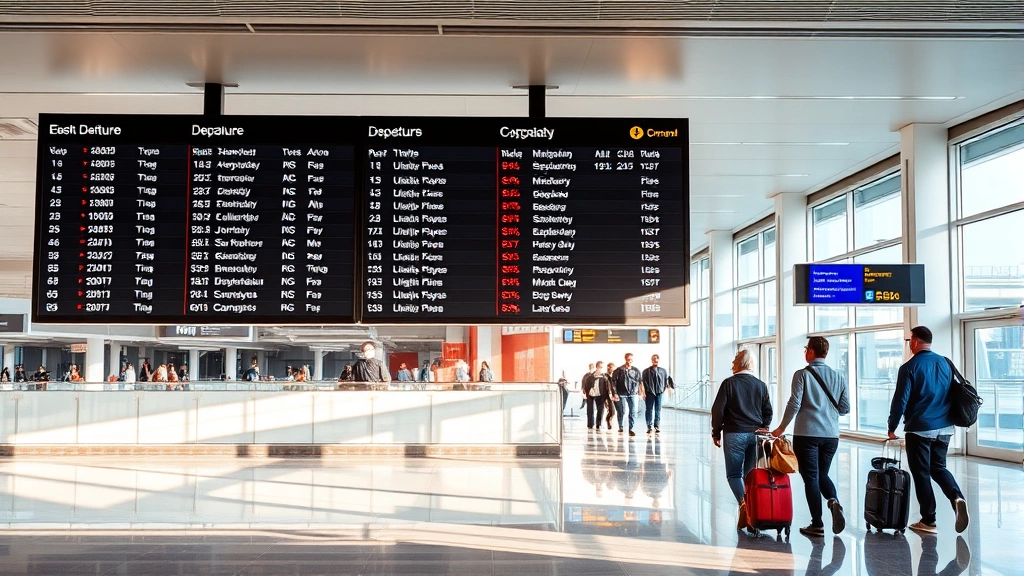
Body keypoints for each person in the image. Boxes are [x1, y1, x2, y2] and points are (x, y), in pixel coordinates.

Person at [888, 325, 969, 535]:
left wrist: (892, 426)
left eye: (909, 341)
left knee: (922, 473)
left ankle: (929, 520)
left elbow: (900, 400)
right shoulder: (945, 363)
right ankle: (956, 497)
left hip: (920, 428)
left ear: (914, 341)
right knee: (939, 467)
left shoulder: (909, 367)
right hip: (945, 427)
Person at [772, 336, 851, 537]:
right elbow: (845, 408)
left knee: (811, 479)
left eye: (806, 348)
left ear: (812, 351)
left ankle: (817, 524)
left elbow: (794, 404)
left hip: (807, 434)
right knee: (822, 474)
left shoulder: (802, 375)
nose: (805, 352)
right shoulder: (838, 376)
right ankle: (833, 500)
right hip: (831, 435)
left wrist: (781, 428)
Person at [711, 350, 773, 530]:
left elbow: (718, 410)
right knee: (749, 476)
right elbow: (767, 410)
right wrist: (765, 427)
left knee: (733, 475)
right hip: (755, 436)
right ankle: (751, 511)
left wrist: (716, 432)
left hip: (734, 433)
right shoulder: (761, 385)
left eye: (734, 360)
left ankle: (743, 504)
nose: (732, 363)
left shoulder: (729, 384)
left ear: (739, 363)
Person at [642, 354, 674, 435]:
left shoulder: (663, 371)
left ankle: (657, 426)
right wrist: (643, 393)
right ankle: (649, 426)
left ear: (658, 360)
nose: (654, 360)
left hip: (659, 393)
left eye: (656, 359)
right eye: (653, 359)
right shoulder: (646, 371)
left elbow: (666, 381)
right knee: (649, 410)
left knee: (658, 410)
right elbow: (642, 383)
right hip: (649, 393)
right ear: (651, 360)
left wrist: (666, 390)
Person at [613, 353, 644, 436]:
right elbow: (613, 383)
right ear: (625, 359)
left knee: (633, 411)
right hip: (621, 393)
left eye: (631, 359)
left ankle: (631, 428)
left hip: (633, 393)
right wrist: (615, 393)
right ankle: (620, 426)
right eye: (628, 359)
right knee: (621, 411)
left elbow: (640, 381)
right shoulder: (618, 370)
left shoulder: (636, 370)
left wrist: (642, 392)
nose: (630, 361)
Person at [582, 361, 605, 430]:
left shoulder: (604, 376)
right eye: (600, 367)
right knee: (590, 409)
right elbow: (585, 383)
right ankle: (590, 424)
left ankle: (599, 424)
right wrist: (585, 391)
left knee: (600, 408)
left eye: (602, 367)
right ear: (597, 367)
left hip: (600, 394)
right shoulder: (590, 376)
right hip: (590, 394)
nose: (601, 368)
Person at [602, 363, 618, 431]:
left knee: (614, 411)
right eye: (609, 368)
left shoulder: (616, 376)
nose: (610, 369)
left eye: (612, 368)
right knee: (612, 410)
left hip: (615, 395)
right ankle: (608, 420)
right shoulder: (605, 376)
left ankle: (609, 419)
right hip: (607, 395)